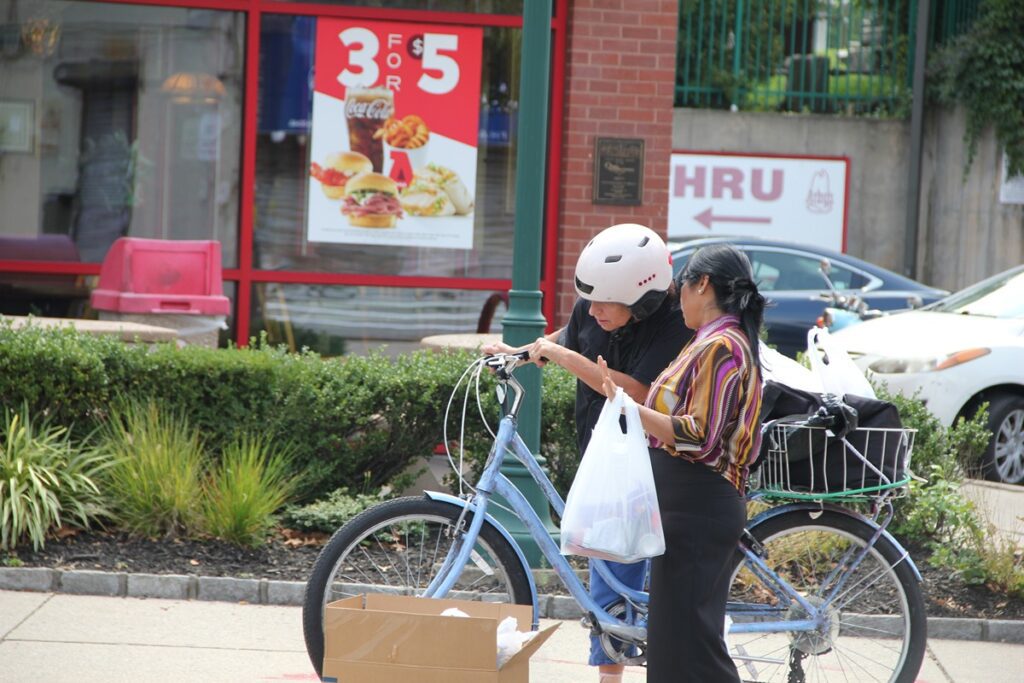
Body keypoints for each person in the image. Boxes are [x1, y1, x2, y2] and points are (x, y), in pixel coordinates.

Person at [485, 223, 692, 682]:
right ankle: (611, 676)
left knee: (632, 573)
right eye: (589, 299)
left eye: (604, 303)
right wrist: (518, 353)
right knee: (611, 569)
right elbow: (569, 336)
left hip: (654, 464)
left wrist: (562, 358)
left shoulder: (675, 324)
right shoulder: (592, 309)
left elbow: (635, 391)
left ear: (643, 300)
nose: (592, 310)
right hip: (605, 458)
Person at [599, 243, 766, 682]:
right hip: (686, 506)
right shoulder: (711, 341)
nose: (679, 299)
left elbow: (699, 434)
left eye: (682, 288)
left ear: (703, 284)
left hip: (699, 506)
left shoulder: (722, 345)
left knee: (692, 651)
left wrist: (627, 407)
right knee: (677, 651)